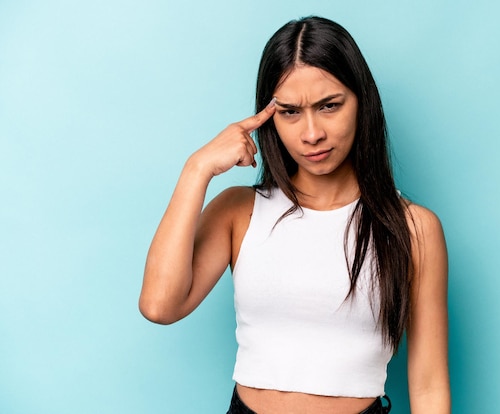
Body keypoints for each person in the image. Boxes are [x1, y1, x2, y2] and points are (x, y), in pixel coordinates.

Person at [139, 16, 450, 414]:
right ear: (268, 117)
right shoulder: (240, 211)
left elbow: (428, 387)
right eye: (289, 112)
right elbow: (159, 306)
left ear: (362, 102)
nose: (311, 133)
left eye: (329, 106)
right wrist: (196, 169)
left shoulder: (413, 228)